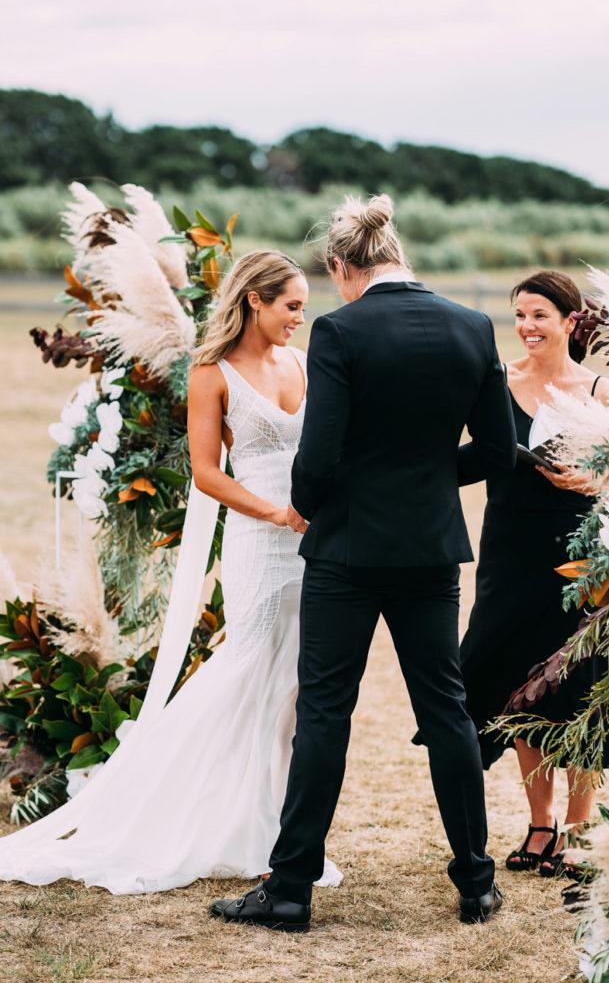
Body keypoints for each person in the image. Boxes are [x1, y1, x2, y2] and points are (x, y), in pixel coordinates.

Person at [209, 194, 516, 933]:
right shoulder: (472, 327)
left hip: (345, 549)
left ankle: (289, 891)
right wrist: (431, 477)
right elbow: (501, 452)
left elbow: (314, 461)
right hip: (430, 551)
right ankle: (476, 883)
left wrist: (322, 498)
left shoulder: (341, 331)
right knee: (447, 711)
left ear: (343, 266)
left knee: (324, 713)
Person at [0, 250, 342, 893]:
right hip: (259, 539)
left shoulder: (303, 363)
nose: (302, 316)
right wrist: (277, 513)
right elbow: (207, 472)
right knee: (248, 676)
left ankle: (280, 833)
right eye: (291, 305)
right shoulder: (211, 374)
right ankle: (167, 810)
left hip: (315, 546)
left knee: (298, 692)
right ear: (254, 302)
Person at [456, 270, 609, 879]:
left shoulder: (602, 392)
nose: (527, 326)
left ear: (570, 322)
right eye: (520, 314)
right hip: (508, 550)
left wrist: (593, 480)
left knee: (577, 684)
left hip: (580, 554)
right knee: (519, 682)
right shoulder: (495, 381)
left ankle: (581, 827)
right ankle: (540, 821)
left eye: (540, 316)